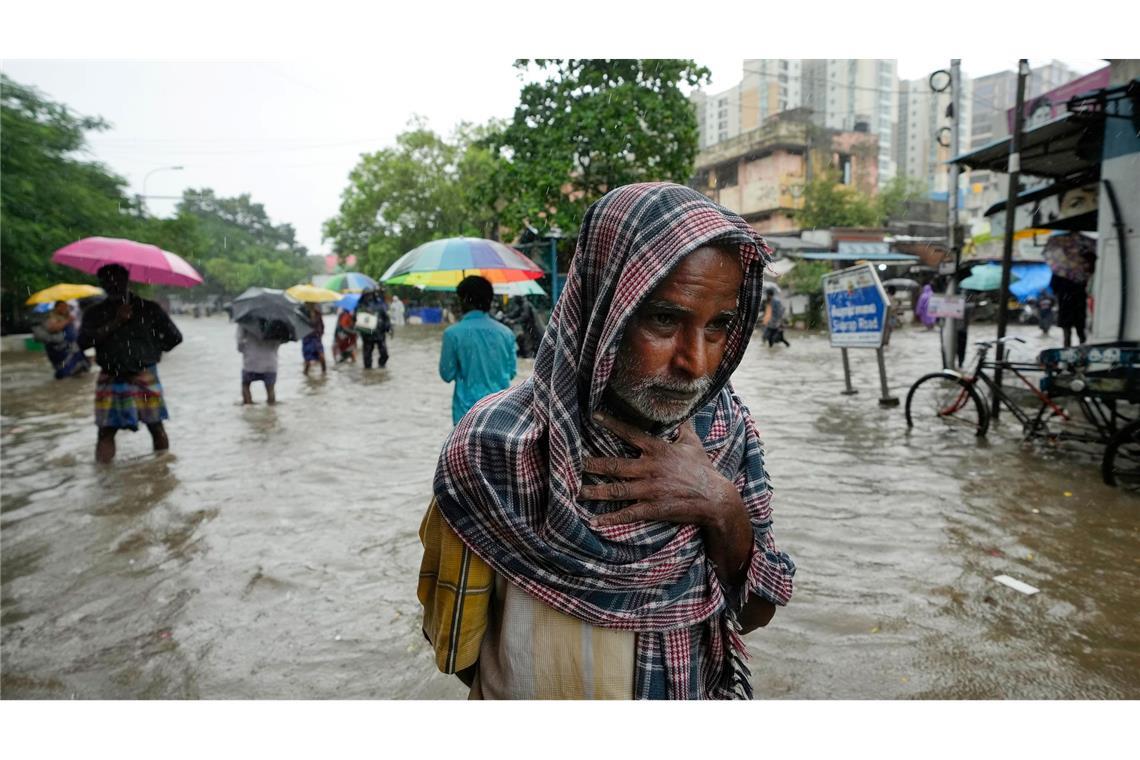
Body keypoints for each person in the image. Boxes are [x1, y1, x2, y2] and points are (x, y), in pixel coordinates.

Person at [417, 183, 795, 700]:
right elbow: (456, 645)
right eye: (665, 319)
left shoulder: (727, 435)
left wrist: (720, 507)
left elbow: (755, 611)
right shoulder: (489, 450)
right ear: (602, 308)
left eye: (719, 326)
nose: (697, 363)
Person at [77, 264, 182, 463]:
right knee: (106, 432)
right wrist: (115, 322)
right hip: (111, 376)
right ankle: (104, 479)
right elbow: (82, 343)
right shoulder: (95, 313)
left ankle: (162, 470)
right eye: (108, 280)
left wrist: (153, 352)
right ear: (102, 284)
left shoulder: (149, 308)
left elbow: (174, 337)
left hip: (143, 374)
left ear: (127, 280)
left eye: (117, 279)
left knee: (156, 427)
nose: (113, 284)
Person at [437, 275, 517, 426]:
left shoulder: (452, 334)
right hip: (500, 412)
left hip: (466, 415)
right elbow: (511, 372)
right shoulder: (506, 333)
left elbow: (447, 374)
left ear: (464, 301)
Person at [36, 300, 91, 379]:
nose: (64, 308)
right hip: (59, 349)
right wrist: (67, 321)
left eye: (65, 306)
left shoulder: (68, 316)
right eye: (61, 306)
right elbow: (52, 328)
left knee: (79, 368)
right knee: (64, 371)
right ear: (56, 307)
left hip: (72, 347)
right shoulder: (52, 316)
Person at [237, 321, 285, 405]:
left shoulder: (245, 320)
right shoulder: (277, 322)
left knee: (246, 385)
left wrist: (245, 351)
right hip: (270, 362)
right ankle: (271, 413)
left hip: (251, 361)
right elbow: (279, 342)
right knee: (270, 389)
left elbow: (239, 342)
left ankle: (248, 409)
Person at [355, 289, 393, 369]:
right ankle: (368, 373)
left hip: (380, 333)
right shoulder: (360, 306)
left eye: (370, 294)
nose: (369, 297)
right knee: (367, 356)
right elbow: (355, 320)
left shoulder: (379, 305)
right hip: (367, 335)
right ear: (363, 296)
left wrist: (389, 328)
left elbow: (386, 318)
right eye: (367, 295)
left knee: (384, 354)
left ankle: (381, 366)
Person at [1052, 273, 1088, 347]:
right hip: (1075, 305)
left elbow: (1054, 288)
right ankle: (1082, 347)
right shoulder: (1081, 272)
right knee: (1078, 331)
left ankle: (1070, 348)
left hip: (1069, 305)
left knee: (1071, 331)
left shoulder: (1060, 272)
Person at [761, 283, 790, 348]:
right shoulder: (767, 301)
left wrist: (780, 321)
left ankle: (772, 347)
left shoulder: (776, 301)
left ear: (769, 294)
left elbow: (780, 311)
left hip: (775, 322)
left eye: (767, 294)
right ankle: (770, 348)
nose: (766, 295)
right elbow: (765, 310)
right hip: (769, 322)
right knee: (769, 336)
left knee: (776, 337)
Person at [302, 303, 326, 376]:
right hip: (307, 339)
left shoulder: (318, 313)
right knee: (308, 361)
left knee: (322, 357)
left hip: (316, 338)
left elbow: (322, 326)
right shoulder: (303, 314)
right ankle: (305, 374)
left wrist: (320, 334)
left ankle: (324, 373)